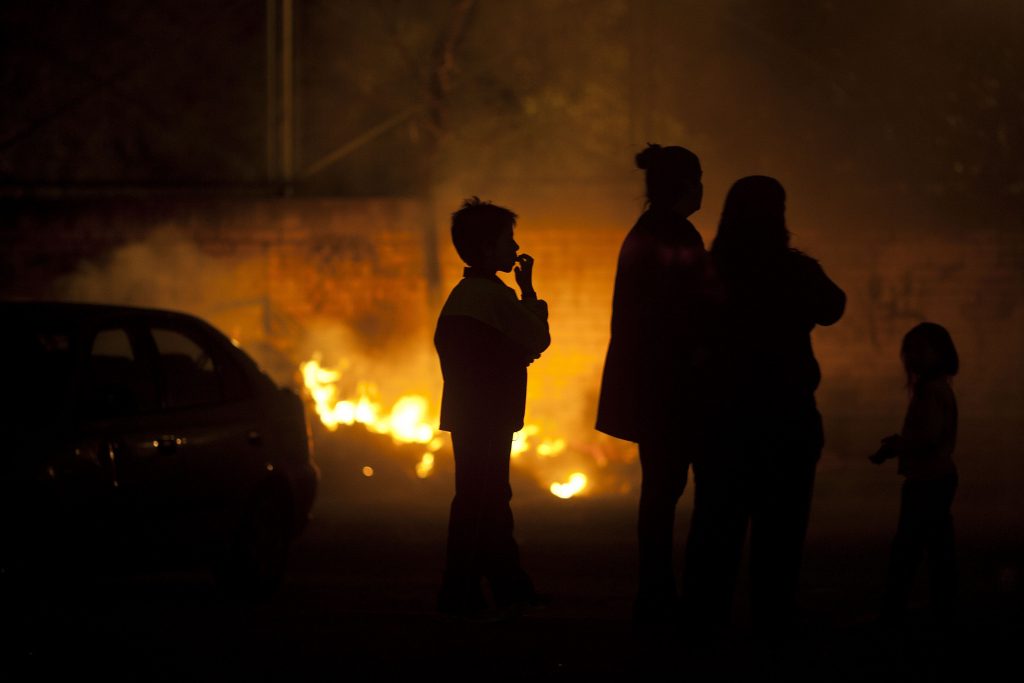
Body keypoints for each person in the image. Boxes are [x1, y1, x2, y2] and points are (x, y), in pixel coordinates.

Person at [682, 175, 845, 634]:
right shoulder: (794, 271)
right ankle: (773, 622)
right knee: (781, 531)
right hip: (787, 418)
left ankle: (703, 624)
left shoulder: (708, 272)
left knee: (716, 524)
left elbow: (685, 334)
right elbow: (834, 307)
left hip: (722, 421)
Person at [595, 144, 715, 624]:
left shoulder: (646, 233)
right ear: (686, 186)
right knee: (675, 492)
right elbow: (694, 312)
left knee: (659, 493)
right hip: (675, 388)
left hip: (652, 386)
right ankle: (671, 597)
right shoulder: (676, 235)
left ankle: (655, 592)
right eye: (700, 178)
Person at [434, 197, 551, 619]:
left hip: (469, 415)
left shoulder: (462, 296)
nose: (515, 248)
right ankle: (465, 588)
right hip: (490, 415)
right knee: (484, 500)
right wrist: (530, 293)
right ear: (486, 248)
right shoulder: (494, 297)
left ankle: (501, 585)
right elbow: (536, 338)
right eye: (507, 240)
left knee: (481, 497)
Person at [870, 322, 959, 624]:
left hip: (927, 482)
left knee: (907, 547)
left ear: (940, 354)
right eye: (910, 350)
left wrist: (899, 445)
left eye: (920, 349)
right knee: (937, 544)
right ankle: (944, 605)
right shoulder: (937, 390)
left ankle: (893, 610)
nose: (912, 356)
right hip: (937, 479)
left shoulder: (931, 393)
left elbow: (928, 438)